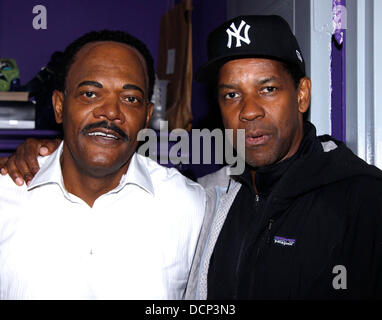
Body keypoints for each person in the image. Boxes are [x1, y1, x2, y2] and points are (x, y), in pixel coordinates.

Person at [2, 15, 382, 300]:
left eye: (267, 89)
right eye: (231, 95)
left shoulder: (362, 199)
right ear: (58, 105)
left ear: (301, 95)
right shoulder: (213, 198)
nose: (249, 110)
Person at [0, 30, 205, 299]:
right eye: (90, 94)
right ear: (59, 106)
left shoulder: (192, 207)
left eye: (130, 98)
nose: (110, 112)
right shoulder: (7, 196)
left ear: (146, 116)